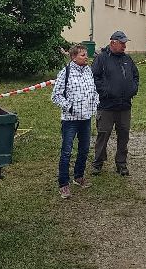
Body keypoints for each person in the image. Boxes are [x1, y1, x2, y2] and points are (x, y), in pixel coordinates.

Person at [51, 44, 99, 198]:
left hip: (86, 119)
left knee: (84, 149)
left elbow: (94, 90)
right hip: (70, 120)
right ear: (73, 57)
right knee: (66, 152)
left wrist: (95, 103)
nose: (86, 57)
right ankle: (63, 184)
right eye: (82, 55)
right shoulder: (65, 72)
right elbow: (56, 96)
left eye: (86, 54)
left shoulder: (88, 71)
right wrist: (70, 107)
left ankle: (78, 177)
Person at [91, 31, 140, 177]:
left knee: (124, 135)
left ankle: (121, 163)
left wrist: (133, 88)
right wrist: (105, 91)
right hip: (107, 106)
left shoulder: (127, 59)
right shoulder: (101, 59)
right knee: (103, 134)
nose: (124, 46)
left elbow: (135, 75)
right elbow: (94, 77)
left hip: (124, 106)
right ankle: (98, 163)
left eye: (125, 43)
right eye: (122, 43)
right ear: (113, 42)